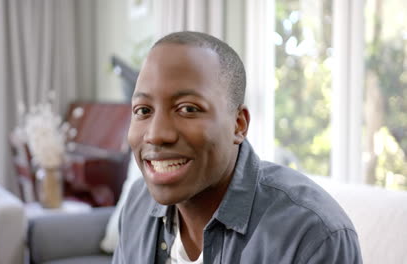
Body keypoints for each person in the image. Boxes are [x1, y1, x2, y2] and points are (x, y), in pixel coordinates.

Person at [113, 31, 362, 264]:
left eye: (188, 109)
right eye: (143, 111)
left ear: (238, 125)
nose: (156, 135)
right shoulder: (138, 204)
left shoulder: (312, 235)